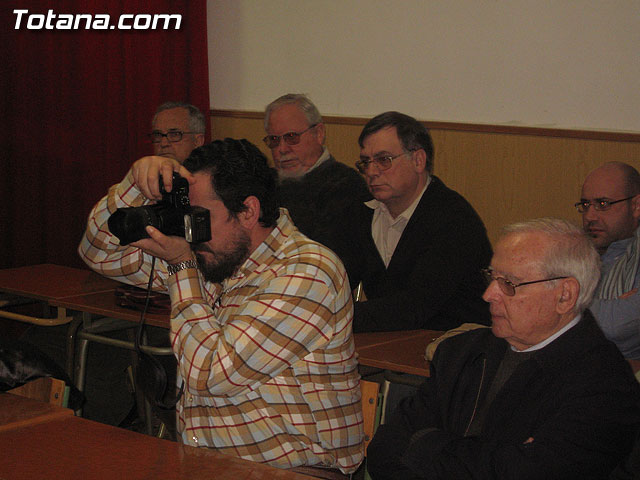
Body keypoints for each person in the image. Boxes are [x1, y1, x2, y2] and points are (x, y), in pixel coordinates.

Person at [79, 138, 364, 474]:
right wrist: (134, 184)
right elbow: (98, 252)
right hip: (212, 467)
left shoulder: (307, 271)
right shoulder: (219, 257)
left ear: (248, 211)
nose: (190, 231)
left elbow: (210, 374)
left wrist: (181, 266)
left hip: (295, 472)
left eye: (199, 217)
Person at [367, 218, 640, 480]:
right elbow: (384, 450)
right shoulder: (461, 352)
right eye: (491, 277)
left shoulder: (604, 382)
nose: (488, 295)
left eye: (508, 283)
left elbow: (529, 473)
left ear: (564, 295)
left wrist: (424, 445)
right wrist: (494, 457)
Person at [334, 111, 492, 332]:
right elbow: (337, 276)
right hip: (392, 342)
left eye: (383, 160)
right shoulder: (362, 212)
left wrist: (328, 319)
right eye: (365, 162)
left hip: (454, 347)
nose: (371, 172)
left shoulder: (454, 219)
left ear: (418, 160)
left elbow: (415, 307)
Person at [264, 93, 371, 250]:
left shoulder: (346, 186)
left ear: (319, 133)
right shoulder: (265, 183)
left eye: (292, 137)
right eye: (274, 140)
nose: (282, 149)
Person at [577, 161, 640, 359]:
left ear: (636, 206)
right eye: (585, 205)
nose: (590, 216)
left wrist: (558, 301)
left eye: (603, 204)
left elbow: (613, 326)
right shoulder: (575, 248)